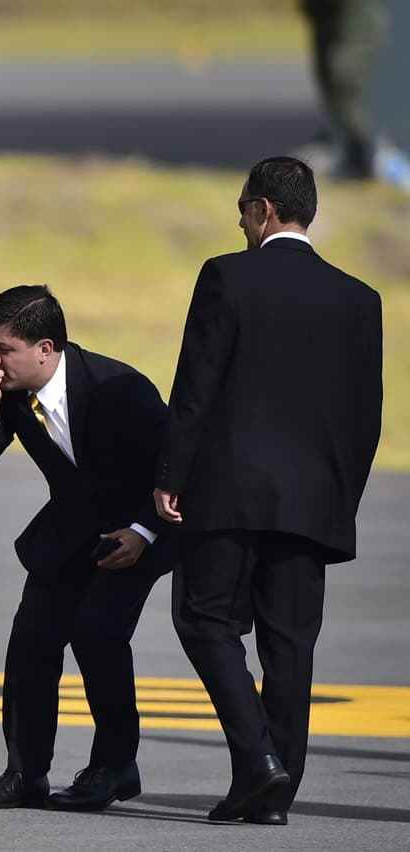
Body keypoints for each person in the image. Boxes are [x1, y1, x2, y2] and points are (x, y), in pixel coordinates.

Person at [154, 156, 382, 825]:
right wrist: (338, 497)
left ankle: (258, 764)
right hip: (313, 502)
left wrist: (170, 476)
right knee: (290, 647)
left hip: (226, 493)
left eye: (242, 213)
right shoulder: (359, 298)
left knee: (204, 621)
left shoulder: (227, 275)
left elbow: (196, 388)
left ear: (263, 210)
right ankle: (275, 792)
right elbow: (365, 417)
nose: (243, 224)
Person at [0, 284, 172, 812]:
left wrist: (144, 532)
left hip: (139, 530)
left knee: (97, 632)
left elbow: (176, 466)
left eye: (2, 349)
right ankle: (25, 773)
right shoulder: (8, 392)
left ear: (45, 349)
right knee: (32, 640)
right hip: (70, 532)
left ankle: (116, 766)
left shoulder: (121, 387)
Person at [299, 0, 387, 179]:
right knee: (330, 81)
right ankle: (343, 149)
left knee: (343, 78)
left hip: (355, 24)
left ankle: (363, 154)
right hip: (328, 21)